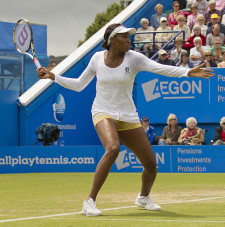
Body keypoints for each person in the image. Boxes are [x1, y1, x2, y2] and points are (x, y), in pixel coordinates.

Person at [36, 23, 214, 216]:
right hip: (102, 111)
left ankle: (143, 197)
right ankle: (89, 202)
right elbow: (79, 85)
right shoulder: (97, 58)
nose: (129, 39)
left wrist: (186, 72)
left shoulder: (134, 58)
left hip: (128, 114)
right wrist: (53, 76)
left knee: (151, 164)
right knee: (113, 148)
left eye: (129, 36)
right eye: (124, 36)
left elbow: (160, 68)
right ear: (112, 39)